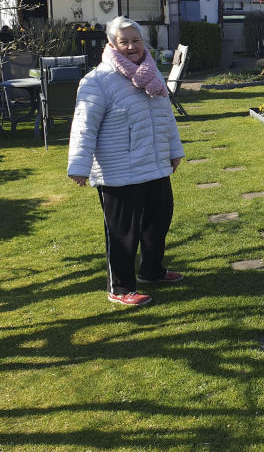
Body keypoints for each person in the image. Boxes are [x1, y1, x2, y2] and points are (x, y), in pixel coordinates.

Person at [67, 16, 185, 306]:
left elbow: (165, 117)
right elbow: (84, 125)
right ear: (112, 44)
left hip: (154, 165)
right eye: (124, 41)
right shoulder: (97, 81)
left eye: (136, 40)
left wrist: (174, 150)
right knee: (123, 232)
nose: (131, 46)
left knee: (158, 221)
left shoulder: (152, 74)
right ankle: (120, 288)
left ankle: (152, 271)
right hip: (118, 171)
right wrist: (79, 166)